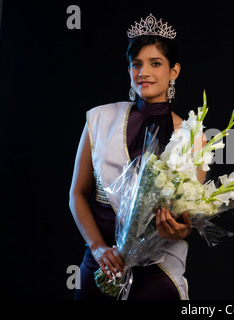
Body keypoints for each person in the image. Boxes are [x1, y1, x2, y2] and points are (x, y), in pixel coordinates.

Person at [69, 13, 206, 300]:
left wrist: (179, 231)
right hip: (101, 264)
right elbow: (78, 194)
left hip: (158, 272)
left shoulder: (193, 137)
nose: (143, 72)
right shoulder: (100, 119)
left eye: (155, 63)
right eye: (137, 64)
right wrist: (97, 248)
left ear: (174, 71)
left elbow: (186, 221)